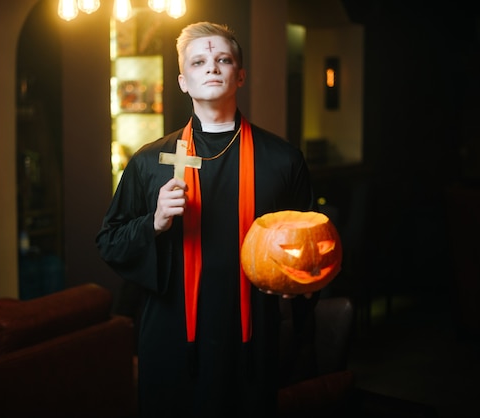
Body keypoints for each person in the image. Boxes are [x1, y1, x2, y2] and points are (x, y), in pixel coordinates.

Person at [96, 21, 317, 417]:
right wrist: (156, 221)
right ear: (183, 81)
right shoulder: (150, 162)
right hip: (172, 334)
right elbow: (109, 241)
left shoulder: (283, 160)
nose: (212, 68)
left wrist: (298, 285)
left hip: (249, 332)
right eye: (198, 62)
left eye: (223, 59)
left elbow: (311, 249)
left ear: (240, 75)